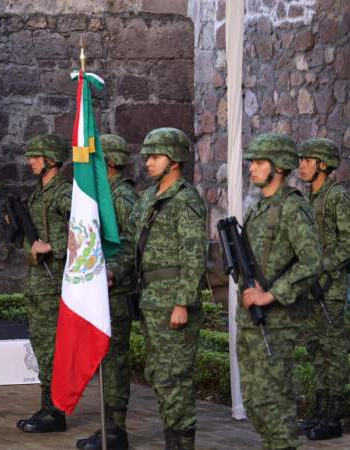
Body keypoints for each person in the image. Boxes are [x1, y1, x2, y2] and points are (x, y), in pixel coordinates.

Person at [106, 128, 206, 449]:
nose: (147, 162)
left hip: (173, 300)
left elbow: (194, 257)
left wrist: (183, 303)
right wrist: (111, 273)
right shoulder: (149, 197)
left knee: (174, 378)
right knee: (159, 377)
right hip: (150, 300)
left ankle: (181, 444)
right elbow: (127, 245)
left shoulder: (185, 201)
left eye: (155, 157)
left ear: (174, 161)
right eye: (147, 156)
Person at [238, 133, 322, 450]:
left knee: (276, 401)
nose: (252, 169)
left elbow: (312, 261)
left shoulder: (292, 208)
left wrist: (271, 295)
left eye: (259, 163)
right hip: (250, 318)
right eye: (253, 163)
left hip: (276, 321)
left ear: (280, 167)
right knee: (255, 400)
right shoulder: (259, 208)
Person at [76, 134, 138, 450]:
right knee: (106, 361)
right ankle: (109, 428)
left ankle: (115, 430)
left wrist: (112, 271)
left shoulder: (123, 198)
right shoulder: (104, 194)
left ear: (110, 161)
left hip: (116, 292)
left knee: (114, 363)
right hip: (101, 290)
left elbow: (130, 244)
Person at [297, 138, 350, 440]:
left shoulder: (337, 197)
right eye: (302, 160)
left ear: (323, 164)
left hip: (330, 292)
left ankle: (334, 418)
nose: (302, 165)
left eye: (308, 160)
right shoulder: (309, 200)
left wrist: (323, 267)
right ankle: (319, 412)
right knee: (316, 352)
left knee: (333, 354)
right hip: (311, 290)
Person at [15, 134, 72, 433]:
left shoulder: (64, 192)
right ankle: (48, 405)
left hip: (56, 281)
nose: (30, 161)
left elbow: (85, 231)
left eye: (35, 156)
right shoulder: (38, 193)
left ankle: (57, 411)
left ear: (51, 159)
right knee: (41, 346)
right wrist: (33, 249)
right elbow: (29, 239)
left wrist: (54, 247)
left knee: (53, 348)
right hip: (38, 281)